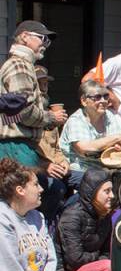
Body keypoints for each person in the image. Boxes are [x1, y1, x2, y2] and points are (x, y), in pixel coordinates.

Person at [0, 21, 69, 225]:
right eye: (42, 38)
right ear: (24, 37)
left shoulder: (23, 65)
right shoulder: (19, 65)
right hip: (16, 145)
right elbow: (22, 110)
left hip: (22, 145)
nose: (45, 44)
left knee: (35, 196)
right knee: (21, 202)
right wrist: (51, 118)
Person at [57, 168, 115, 271]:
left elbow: (106, 252)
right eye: (107, 191)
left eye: (112, 190)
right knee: (108, 267)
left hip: (88, 269)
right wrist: (98, 259)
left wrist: (98, 258)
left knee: (116, 264)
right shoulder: (72, 216)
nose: (112, 196)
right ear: (92, 193)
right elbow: (75, 259)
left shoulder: (104, 216)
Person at [59, 80, 121, 186]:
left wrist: (118, 145)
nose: (103, 101)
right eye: (97, 97)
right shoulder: (76, 119)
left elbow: (118, 147)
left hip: (105, 168)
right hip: (79, 171)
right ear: (84, 101)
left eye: (106, 96)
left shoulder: (109, 116)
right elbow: (84, 148)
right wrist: (115, 139)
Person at [32, 64, 72, 191]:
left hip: (56, 167)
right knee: (57, 188)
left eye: (45, 85)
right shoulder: (24, 118)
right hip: (37, 169)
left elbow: (56, 148)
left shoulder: (51, 118)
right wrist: (44, 166)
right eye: (39, 85)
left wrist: (64, 162)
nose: (43, 90)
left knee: (89, 181)